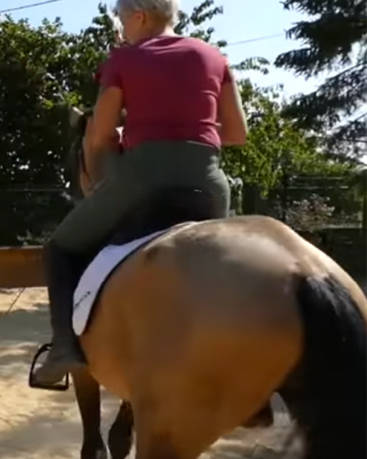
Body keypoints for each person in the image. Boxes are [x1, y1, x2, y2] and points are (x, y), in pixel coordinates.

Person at [32, 0, 248, 386]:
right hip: (209, 185)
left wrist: (124, 137)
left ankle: (64, 348)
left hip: (142, 181)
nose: (123, 28)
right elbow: (236, 134)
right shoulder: (214, 57)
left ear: (140, 16)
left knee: (60, 248)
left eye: (122, 19)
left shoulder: (125, 59)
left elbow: (98, 135)